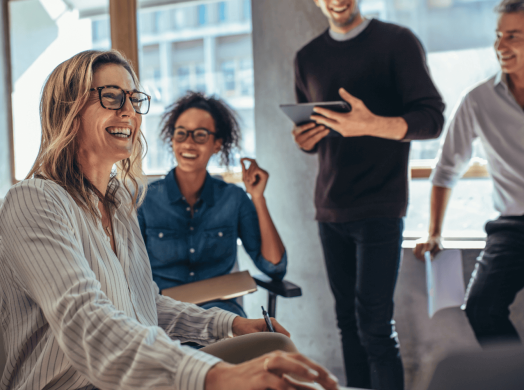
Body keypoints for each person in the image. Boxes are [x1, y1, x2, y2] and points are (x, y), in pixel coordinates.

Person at [0, 49, 339, 390]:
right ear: (68, 110)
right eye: (112, 97)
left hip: (133, 374)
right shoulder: (35, 201)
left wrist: (230, 324)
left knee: (272, 347)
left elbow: (145, 306)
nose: (129, 112)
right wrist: (213, 375)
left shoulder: (119, 203)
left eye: (133, 99)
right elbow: (87, 322)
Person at [292, 0, 445, 388]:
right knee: (347, 323)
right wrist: (304, 139)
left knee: (375, 328)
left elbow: (432, 119)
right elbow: (315, 131)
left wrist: (373, 124)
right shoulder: (306, 56)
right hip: (329, 208)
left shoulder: (397, 41)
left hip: (380, 206)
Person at [414, 0, 524, 347]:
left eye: (513, 36)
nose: (500, 46)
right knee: (480, 308)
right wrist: (434, 232)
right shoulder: (477, 100)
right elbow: (446, 169)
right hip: (512, 228)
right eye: (498, 36)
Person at [137, 92, 287, 318]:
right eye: (181, 134)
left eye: (200, 135)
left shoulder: (233, 198)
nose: (188, 142)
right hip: (163, 317)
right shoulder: (144, 200)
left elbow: (274, 266)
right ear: (172, 140)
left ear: (217, 144)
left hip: (222, 316)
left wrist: (258, 197)